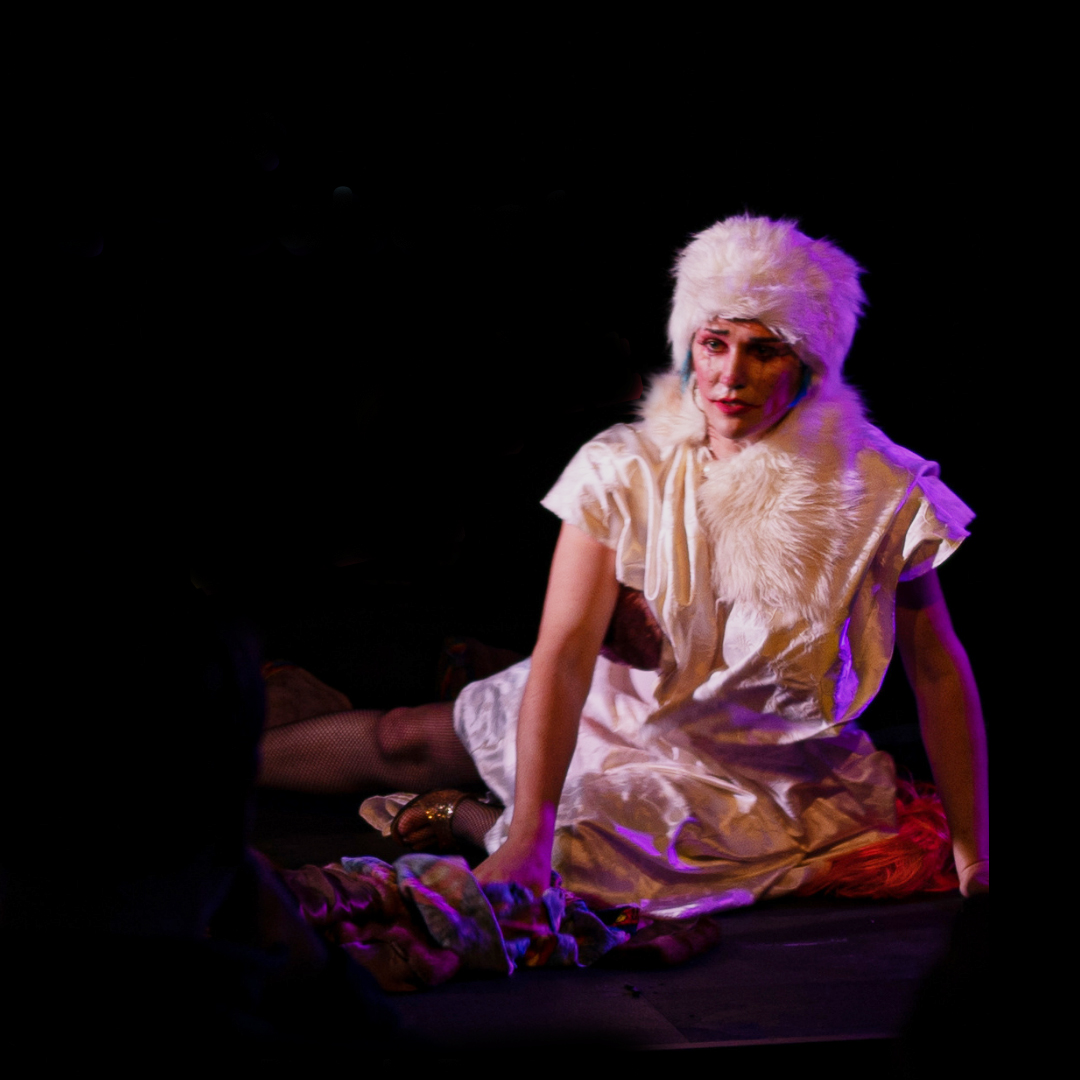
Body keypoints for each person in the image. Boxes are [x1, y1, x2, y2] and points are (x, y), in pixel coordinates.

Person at [258, 214, 989, 917]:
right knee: (404, 741)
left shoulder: (878, 488)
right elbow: (565, 654)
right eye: (715, 343)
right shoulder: (624, 467)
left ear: (808, 363)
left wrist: (970, 848)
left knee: (586, 861)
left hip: (755, 774)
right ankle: (195, 764)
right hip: (621, 705)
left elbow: (936, 667)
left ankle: (472, 820)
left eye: (763, 351)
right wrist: (530, 832)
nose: (729, 375)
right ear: (690, 344)